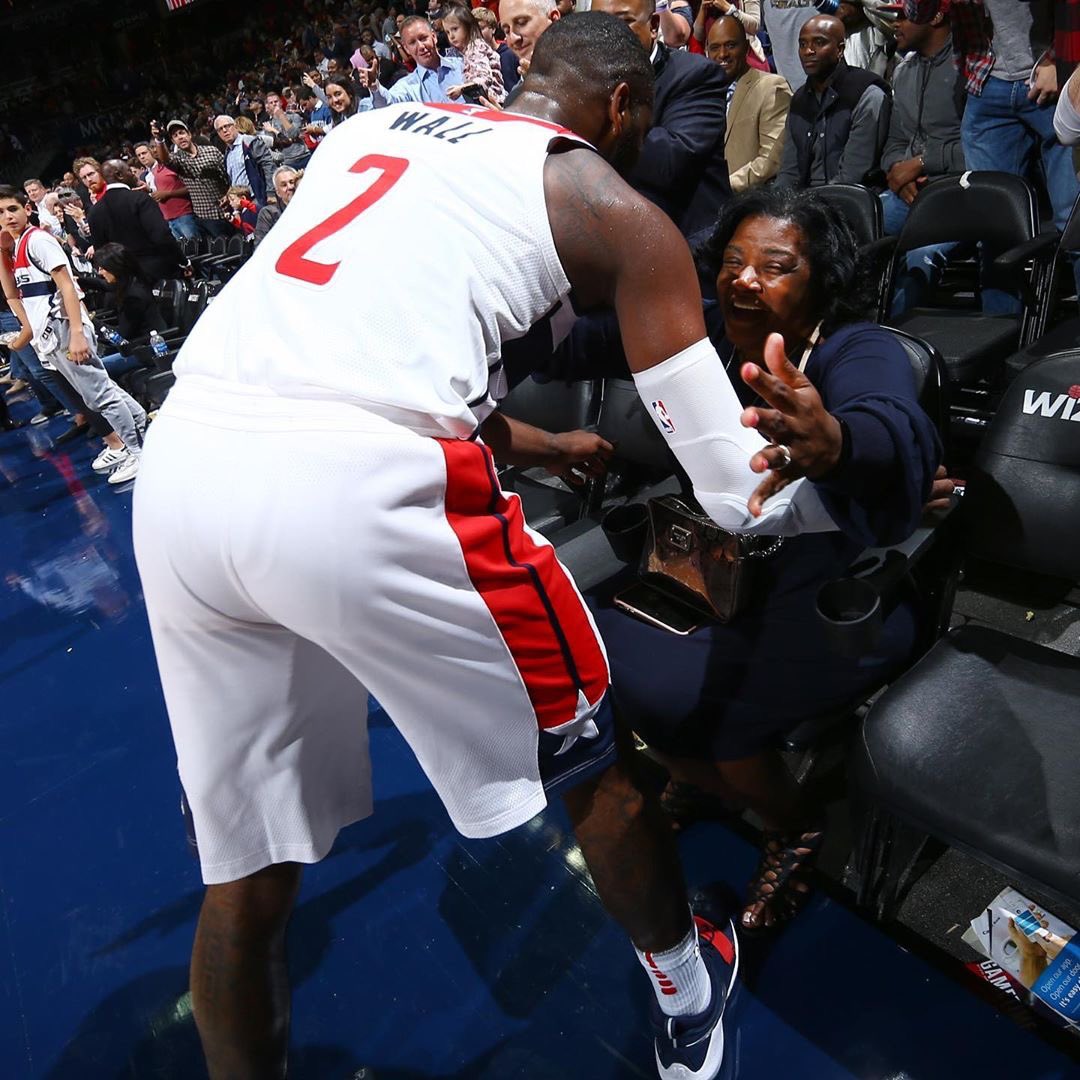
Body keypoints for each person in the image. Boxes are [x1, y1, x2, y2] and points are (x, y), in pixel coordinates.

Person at [133, 15, 750, 1080]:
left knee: (249, 866)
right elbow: (731, 485)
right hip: (359, 489)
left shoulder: (366, 130)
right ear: (625, 109)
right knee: (597, 765)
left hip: (184, 465)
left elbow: (354, 344)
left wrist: (548, 440)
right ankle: (689, 1000)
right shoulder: (611, 204)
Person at [590, 186, 942, 933]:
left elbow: (886, 419)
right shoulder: (711, 339)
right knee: (601, 653)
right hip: (727, 567)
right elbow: (596, 336)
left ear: (819, 280)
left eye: (775, 265)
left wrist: (836, 444)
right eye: (734, 261)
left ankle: (790, 826)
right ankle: (711, 783)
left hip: (843, 586)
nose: (744, 278)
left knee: (710, 705)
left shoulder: (858, 347)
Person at [0, 186, 146, 485]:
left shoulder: (38, 240)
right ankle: (141, 428)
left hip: (67, 328)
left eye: (12, 209)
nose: (7, 217)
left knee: (99, 396)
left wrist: (77, 333)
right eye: (0, 213)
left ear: (27, 208)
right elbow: (18, 296)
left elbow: (68, 286)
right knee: (100, 390)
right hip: (52, 334)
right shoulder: (19, 246)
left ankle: (137, 451)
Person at [594, 0, 733, 237]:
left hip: (688, 245)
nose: (610, 34)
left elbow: (669, 162)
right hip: (614, 242)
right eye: (600, 24)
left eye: (624, 21)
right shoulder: (589, 80)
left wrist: (594, 125)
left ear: (654, 25)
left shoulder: (697, 74)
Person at [880, 0, 966, 316]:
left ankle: (894, 341)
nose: (895, 23)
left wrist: (921, 162)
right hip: (909, 195)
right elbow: (894, 143)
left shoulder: (967, 68)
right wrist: (897, 175)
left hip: (960, 195)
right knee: (848, 229)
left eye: (904, 15)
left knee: (921, 257)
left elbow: (983, 150)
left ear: (937, 15)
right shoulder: (903, 71)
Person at [776, 15, 891, 188]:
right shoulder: (799, 99)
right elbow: (790, 171)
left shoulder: (866, 95)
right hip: (805, 202)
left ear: (840, 49)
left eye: (819, 42)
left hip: (853, 198)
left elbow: (852, 175)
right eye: (803, 44)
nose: (808, 51)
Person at [707, 15, 791, 192]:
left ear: (746, 47)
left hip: (751, 203)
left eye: (730, 45)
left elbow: (771, 161)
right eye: (715, 48)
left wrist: (721, 188)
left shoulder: (771, 87)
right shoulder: (704, 94)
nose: (722, 54)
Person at [88, 160, 187, 282]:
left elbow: (101, 252)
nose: (133, 175)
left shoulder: (94, 211)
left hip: (125, 281)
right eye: (129, 171)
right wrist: (183, 262)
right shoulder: (140, 199)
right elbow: (162, 236)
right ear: (119, 175)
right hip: (159, 274)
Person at [149, 120, 232, 239]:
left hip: (228, 208)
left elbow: (228, 175)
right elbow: (166, 160)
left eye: (181, 133)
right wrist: (159, 139)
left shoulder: (211, 150)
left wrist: (229, 194)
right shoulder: (178, 159)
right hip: (206, 216)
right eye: (175, 136)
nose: (180, 137)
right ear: (173, 141)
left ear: (189, 134)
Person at [359, 16, 465, 104]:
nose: (421, 46)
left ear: (434, 37)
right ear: (406, 49)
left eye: (423, 38)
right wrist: (374, 86)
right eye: (412, 42)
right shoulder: (407, 86)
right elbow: (387, 104)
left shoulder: (462, 65)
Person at [135, 141, 200, 243]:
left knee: (196, 248)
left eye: (144, 153)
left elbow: (191, 187)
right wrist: (149, 190)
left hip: (184, 215)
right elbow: (159, 194)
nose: (142, 157)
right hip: (168, 219)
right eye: (139, 155)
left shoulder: (172, 166)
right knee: (185, 252)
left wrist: (167, 194)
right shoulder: (149, 174)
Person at [442, 3, 507, 104]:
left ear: (468, 26)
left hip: (494, 101)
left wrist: (461, 89)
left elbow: (484, 79)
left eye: (455, 29)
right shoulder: (456, 53)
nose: (451, 36)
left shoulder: (477, 46)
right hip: (477, 100)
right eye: (448, 32)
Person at [214, 114, 276, 209]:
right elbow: (233, 180)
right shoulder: (227, 154)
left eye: (227, 126)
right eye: (220, 129)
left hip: (257, 198)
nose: (224, 131)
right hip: (240, 203)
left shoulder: (249, 142)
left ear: (234, 126)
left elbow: (268, 165)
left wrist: (271, 192)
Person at [499, 0, 562, 79]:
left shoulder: (581, 65)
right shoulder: (517, 90)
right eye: (506, 31)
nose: (513, 39)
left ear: (553, 19)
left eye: (521, 23)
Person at [253, 166, 300, 246]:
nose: (290, 187)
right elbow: (260, 247)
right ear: (278, 193)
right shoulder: (268, 214)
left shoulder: (310, 207)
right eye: (284, 185)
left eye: (292, 182)